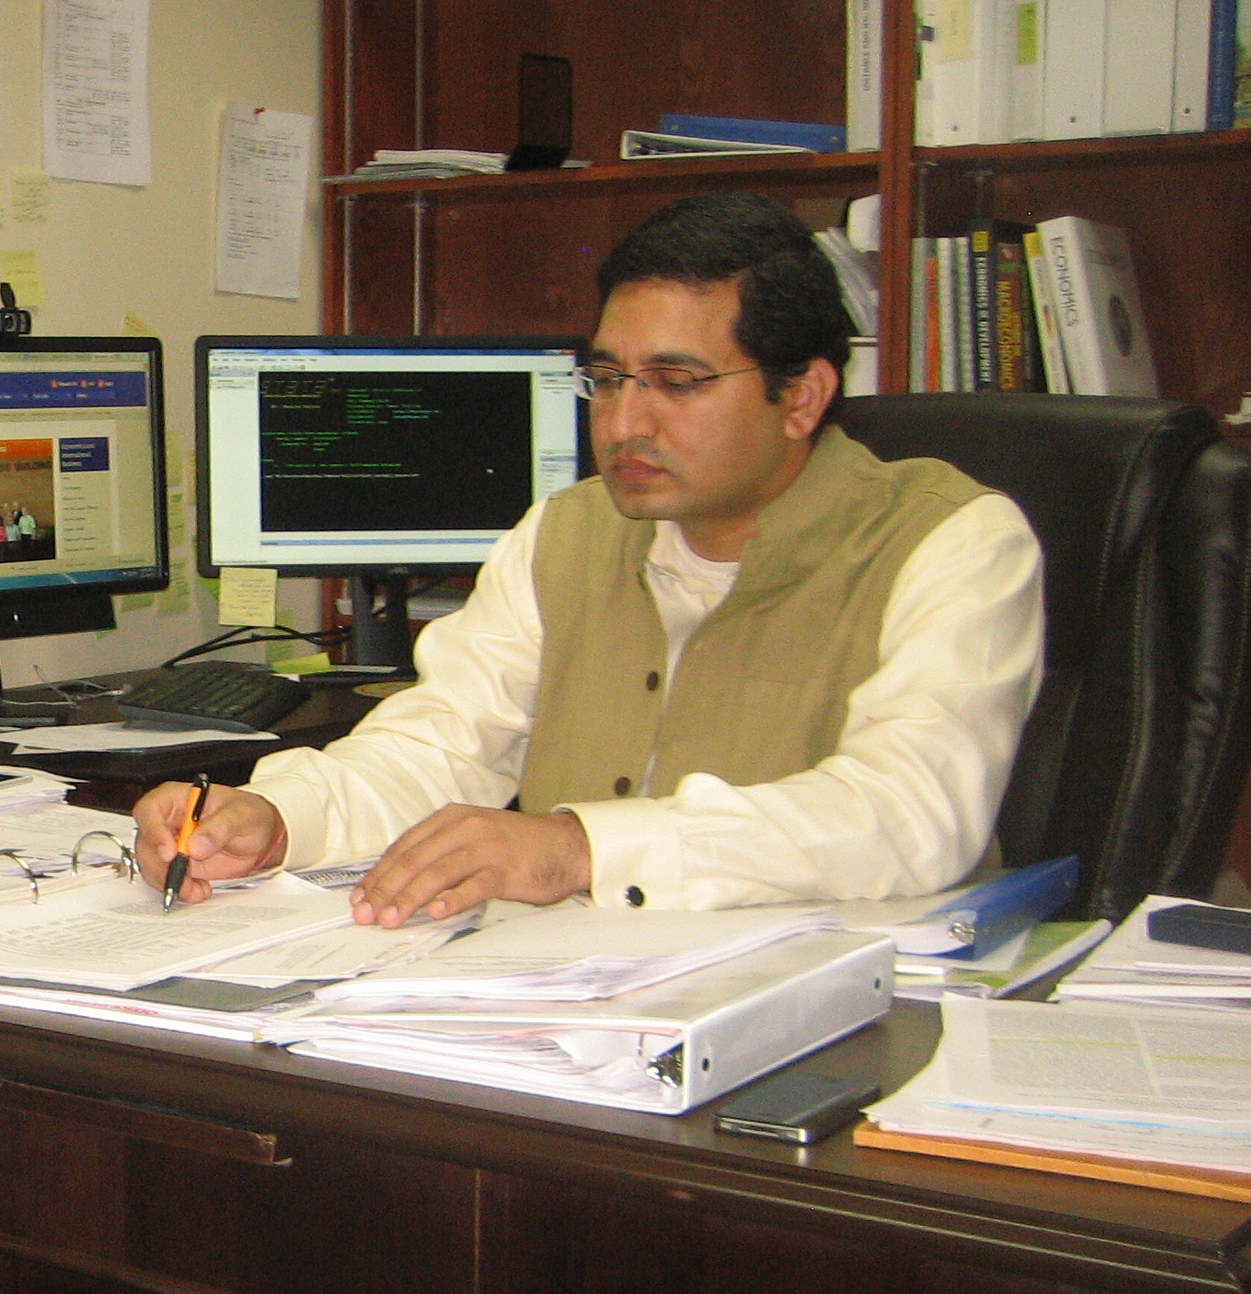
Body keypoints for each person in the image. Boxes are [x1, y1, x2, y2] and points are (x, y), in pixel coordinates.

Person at [135, 191, 1044, 926]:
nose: (623, 424)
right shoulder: (566, 533)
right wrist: (275, 816)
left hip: (829, 1009)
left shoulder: (952, 542)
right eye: (607, 379)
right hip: (566, 997)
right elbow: (445, 745)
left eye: (675, 384)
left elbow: (909, 815)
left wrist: (579, 846)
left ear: (801, 397)